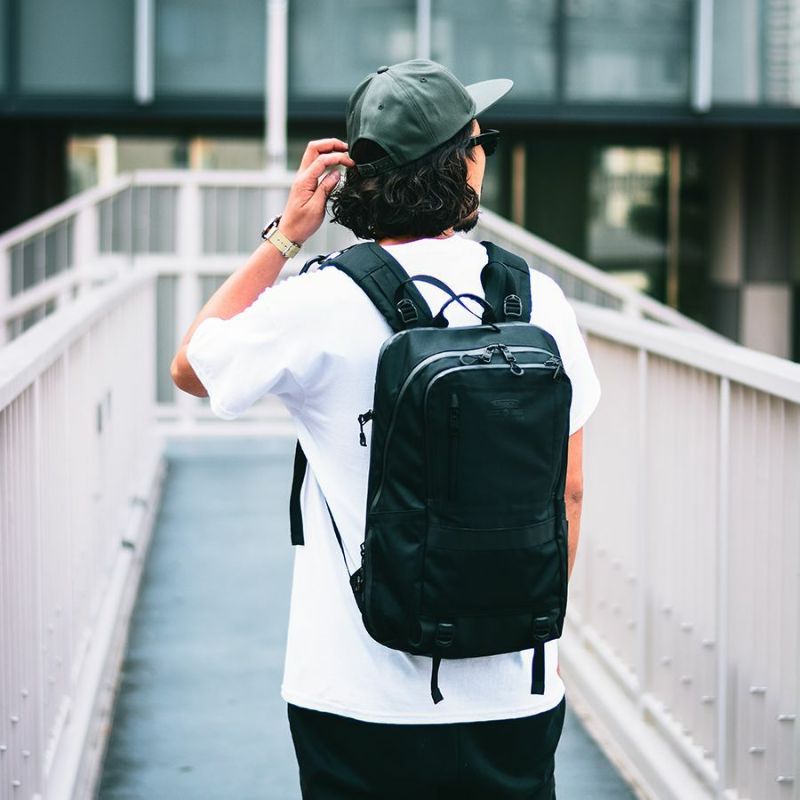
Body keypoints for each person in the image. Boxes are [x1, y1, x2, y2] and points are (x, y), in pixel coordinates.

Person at [171, 59, 601, 799]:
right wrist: (539, 632)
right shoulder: (539, 300)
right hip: (512, 689)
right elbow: (570, 493)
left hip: (355, 692)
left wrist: (285, 238)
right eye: (480, 143)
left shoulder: (318, 301)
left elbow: (190, 366)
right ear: (464, 167)